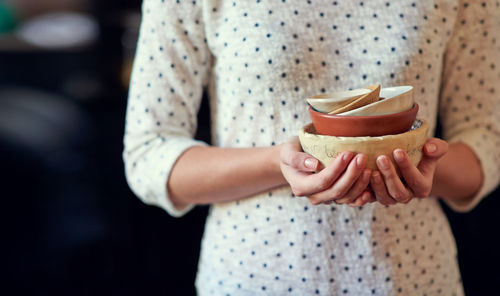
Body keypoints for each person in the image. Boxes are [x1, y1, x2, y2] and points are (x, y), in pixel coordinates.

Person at [123, 0, 500, 294]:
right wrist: (278, 163)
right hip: (253, 279)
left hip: (411, 279)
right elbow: (149, 152)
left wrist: (413, 164)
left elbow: (487, 142)